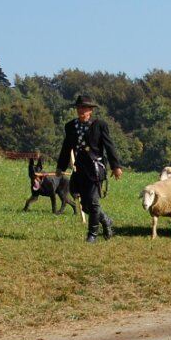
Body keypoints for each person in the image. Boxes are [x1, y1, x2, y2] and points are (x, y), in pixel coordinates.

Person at [56, 94, 123, 242]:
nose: (82, 110)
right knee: (85, 205)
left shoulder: (100, 125)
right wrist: (61, 166)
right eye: (80, 107)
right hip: (79, 169)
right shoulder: (70, 126)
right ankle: (105, 220)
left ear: (91, 110)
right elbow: (66, 147)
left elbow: (109, 145)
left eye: (85, 108)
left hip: (94, 169)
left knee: (93, 202)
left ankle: (92, 234)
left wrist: (115, 166)